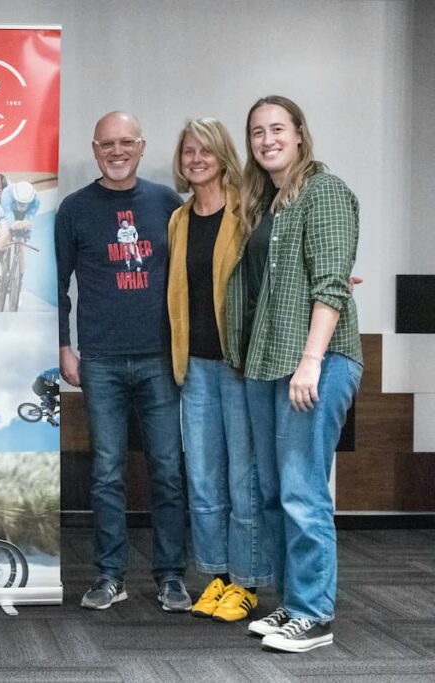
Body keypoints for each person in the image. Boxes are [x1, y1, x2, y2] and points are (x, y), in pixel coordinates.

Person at [226, 96, 362, 652]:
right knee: (276, 490)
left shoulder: (324, 192)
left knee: (304, 490)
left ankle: (314, 614)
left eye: (277, 129)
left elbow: (331, 283)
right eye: (257, 132)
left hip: (314, 362)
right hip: (268, 362)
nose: (266, 140)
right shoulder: (271, 202)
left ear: (300, 134)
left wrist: (311, 362)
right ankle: (292, 603)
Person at [56, 111, 190, 612]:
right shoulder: (74, 209)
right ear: (95, 149)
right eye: (108, 143)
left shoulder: (166, 204)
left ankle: (171, 574)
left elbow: (193, 275)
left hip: (160, 358)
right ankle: (111, 574)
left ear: (141, 145)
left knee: (169, 471)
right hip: (101, 360)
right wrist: (63, 346)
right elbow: (59, 287)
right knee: (107, 471)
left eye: (127, 142)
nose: (118, 151)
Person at [165, 118, 271, 623]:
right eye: (189, 151)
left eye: (206, 150)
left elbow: (274, 266)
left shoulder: (247, 209)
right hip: (196, 367)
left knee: (241, 478)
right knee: (203, 477)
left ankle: (247, 582)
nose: (196, 159)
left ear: (223, 155)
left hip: (239, 364)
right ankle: (217, 578)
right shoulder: (180, 218)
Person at [0, 180, 41, 277]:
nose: (21, 205)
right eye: (19, 202)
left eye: (24, 203)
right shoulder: (7, 194)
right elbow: (8, 213)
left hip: (23, 215)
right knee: (6, 233)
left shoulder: (36, 200)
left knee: (22, 247)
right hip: (8, 211)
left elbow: (30, 215)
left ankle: (20, 277)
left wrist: (25, 224)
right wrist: (13, 225)